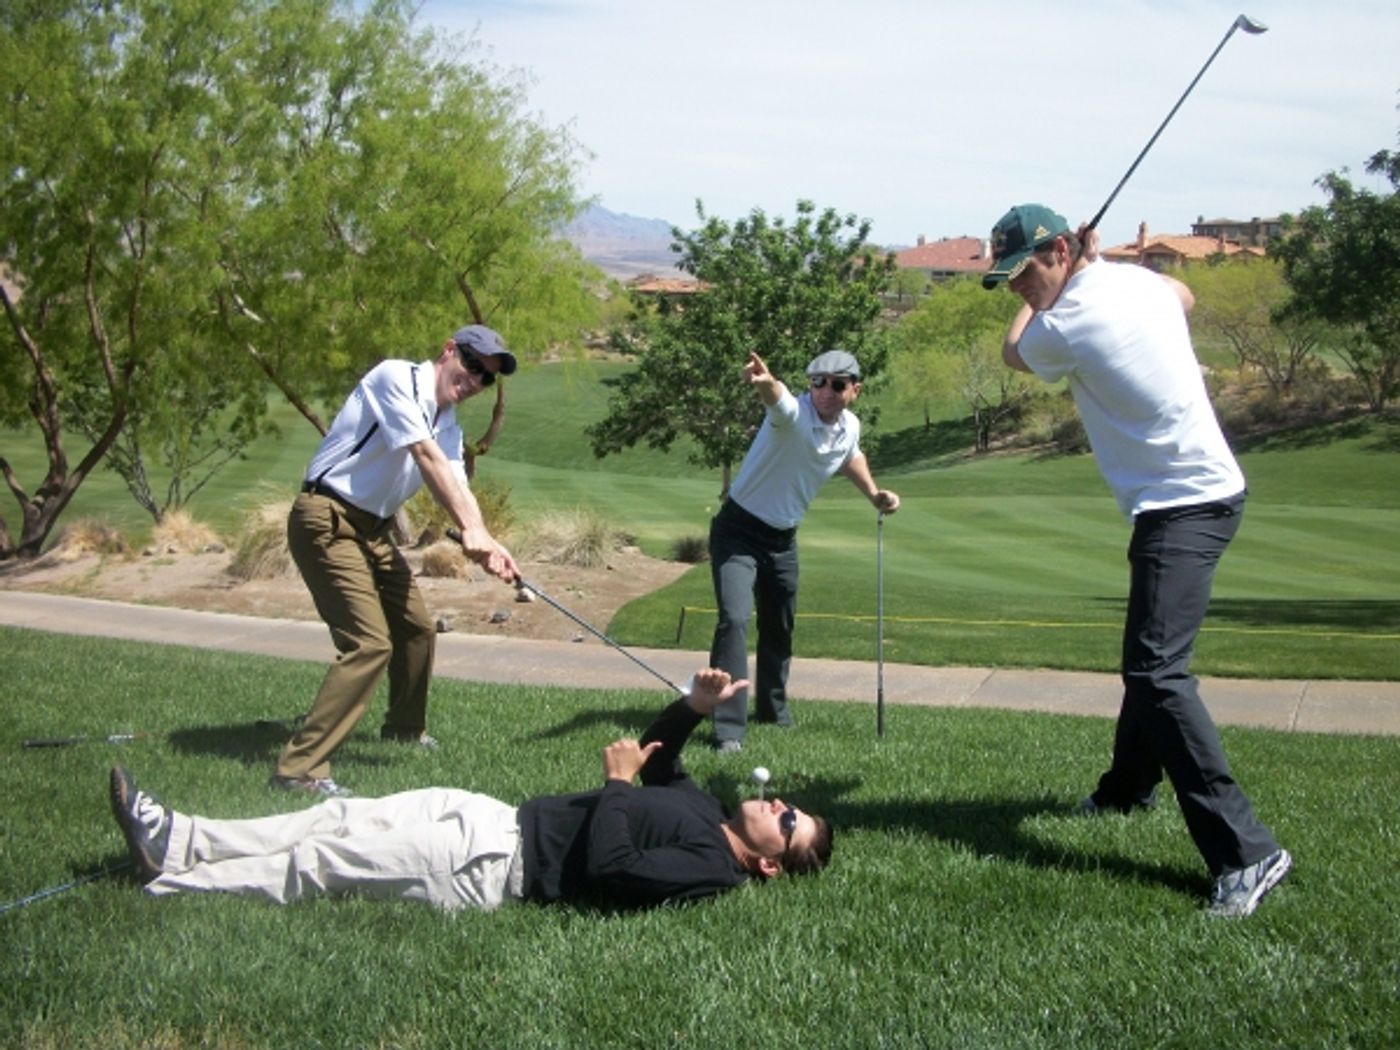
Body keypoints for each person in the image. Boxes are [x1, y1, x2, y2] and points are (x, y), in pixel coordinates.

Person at [984, 203, 1291, 918]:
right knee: (1146, 658)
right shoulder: (1141, 286)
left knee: (1156, 671)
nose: (1017, 292)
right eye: (1007, 283)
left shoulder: (1065, 325)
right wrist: (1101, 264)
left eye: (1024, 273)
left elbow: (1012, 354)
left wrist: (1052, 296)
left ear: (1059, 249)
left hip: (1182, 506)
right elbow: (1182, 295)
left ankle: (1248, 853)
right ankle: (1126, 790)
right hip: (1203, 495)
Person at [108, 669, 834, 911]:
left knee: (325, 865)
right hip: (487, 817)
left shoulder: (712, 869)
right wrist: (694, 707)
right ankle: (182, 837)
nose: (778, 803)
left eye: (789, 820)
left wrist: (615, 786)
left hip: (489, 868)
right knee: (336, 819)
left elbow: (614, 870)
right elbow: (661, 752)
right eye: (788, 801)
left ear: (769, 862)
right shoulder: (705, 811)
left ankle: (173, 883)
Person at [275, 324, 522, 798]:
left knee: (416, 629)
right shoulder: (395, 378)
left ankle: (406, 731)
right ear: (448, 350)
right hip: (325, 518)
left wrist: (489, 540)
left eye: (485, 379)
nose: (474, 381)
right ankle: (299, 768)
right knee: (369, 644)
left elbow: (455, 481)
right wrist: (471, 531)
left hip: (371, 530)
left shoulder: (449, 422)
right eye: (472, 366)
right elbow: (424, 456)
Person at [708, 349, 900, 753]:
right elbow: (778, 400)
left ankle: (773, 712)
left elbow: (850, 455)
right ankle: (728, 730)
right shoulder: (792, 416)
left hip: (782, 541)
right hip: (738, 531)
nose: (825, 392)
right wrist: (765, 384)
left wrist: (874, 495)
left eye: (836, 385)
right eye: (817, 382)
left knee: (779, 627)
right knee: (735, 619)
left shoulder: (849, 426)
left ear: (855, 390)